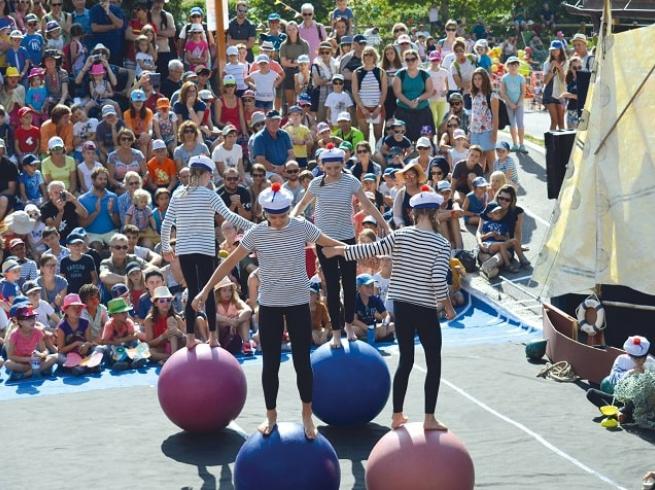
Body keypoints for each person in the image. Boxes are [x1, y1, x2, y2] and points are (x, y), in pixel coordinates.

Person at [192, 182, 347, 439]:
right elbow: (229, 261)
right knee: (270, 363)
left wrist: (354, 250)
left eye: (283, 216)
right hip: (270, 307)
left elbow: (329, 242)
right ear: (264, 214)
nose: (278, 221)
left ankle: (307, 415)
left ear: (289, 211)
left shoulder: (301, 226)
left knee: (302, 362)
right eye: (273, 217)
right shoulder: (256, 234)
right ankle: (271, 414)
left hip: (298, 303)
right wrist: (206, 290)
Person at [322, 185, 454, 431]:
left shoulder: (401, 235)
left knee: (405, 360)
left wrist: (339, 250)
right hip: (424, 307)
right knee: (433, 362)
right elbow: (437, 280)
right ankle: (429, 418)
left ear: (413, 213)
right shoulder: (441, 244)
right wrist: (446, 305)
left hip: (401, 306)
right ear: (435, 214)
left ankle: (397, 415)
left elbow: (369, 249)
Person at [292, 145, 390, 348]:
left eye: (337, 167)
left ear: (342, 165)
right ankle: (336, 332)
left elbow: (368, 205)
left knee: (349, 285)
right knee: (333, 288)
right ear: (322, 166)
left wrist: (384, 224)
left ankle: (348, 326)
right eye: (329, 168)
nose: (333, 172)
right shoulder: (316, 184)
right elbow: (301, 205)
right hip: (324, 241)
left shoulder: (351, 181)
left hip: (346, 241)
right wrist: (290, 220)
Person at [160, 155, 253, 349]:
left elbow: (166, 224)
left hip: (185, 250)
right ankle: (212, 337)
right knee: (207, 291)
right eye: (210, 175)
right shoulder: (209, 195)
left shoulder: (177, 194)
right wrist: (255, 226)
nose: (211, 179)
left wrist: (166, 245)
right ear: (204, 174)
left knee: (193, 290)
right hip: (205, 249)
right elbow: (230, 216)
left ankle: (191, 338)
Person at [5, 305, 58, 380]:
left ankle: (25, 375)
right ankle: (39, 370)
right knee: (8, 364)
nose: (33, 321)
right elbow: (10, 356)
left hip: (35, 362)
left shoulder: (37, 331)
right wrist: (28, 359)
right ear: (20, 322)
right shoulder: (14, 334)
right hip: (22, 362)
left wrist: (41, 355)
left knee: (55, 357)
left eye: (33, 318)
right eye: (28, 319)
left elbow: (44, 350)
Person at [393, 49, 434, 142]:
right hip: (404, 111)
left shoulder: (425, 74)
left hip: (423, 112)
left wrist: (418, 100)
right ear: (404, 61)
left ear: (417, 59)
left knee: (426, 139)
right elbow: (397, 92)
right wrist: (409, 103)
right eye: (407, 60)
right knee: (403, 140)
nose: (410, 62)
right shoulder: (400, 74)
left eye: (413, 59)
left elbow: (429, 91)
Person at [78, 167, 121, 245]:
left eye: (105, 179)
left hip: (111, 233)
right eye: (100, 179)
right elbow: (82, 224)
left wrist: (111, 213)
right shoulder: (82, 199)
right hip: (92, 234)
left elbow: (118, 224)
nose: (103, 181)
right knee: (96, 246)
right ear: (93, 180)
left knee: (119, 244)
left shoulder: (113, 197)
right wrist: (96, 212)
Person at [351, 46, 387, 140]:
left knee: (378, 135)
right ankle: (366, 154)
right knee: (364, 135)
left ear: (374, 57)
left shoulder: (381, 72)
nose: (368, 57)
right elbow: (355, 92)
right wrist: (363, 109)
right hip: (363, 108)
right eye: (366, 55)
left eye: (371, 55)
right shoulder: (357, 72)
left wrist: (378, 108)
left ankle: (377, 154)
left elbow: (384, 91)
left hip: (377, 107)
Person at [143, 285, 184, 364]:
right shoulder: (149, 320)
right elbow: (150, 343)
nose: (166, 303)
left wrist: (176, 332)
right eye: (162, 301)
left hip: (178, 347)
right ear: (155, 304)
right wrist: (163, 336)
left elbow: (185, 337)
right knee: (148, 352)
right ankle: (172, 358)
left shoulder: (176, 318)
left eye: (168, 300)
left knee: (172, 329)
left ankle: (170, 359)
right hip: (161, 349)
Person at [469, 68, 499, 173]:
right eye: (475, 79)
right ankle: (481, 185)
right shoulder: (473, 94)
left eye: (479, 79)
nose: (477, 81)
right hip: (474, 131)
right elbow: (473, 114)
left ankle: (496, 182)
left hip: (487, 131)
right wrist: (470, 131)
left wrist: (494, 133)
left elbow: (496, 116)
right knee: (478, 161)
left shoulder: (492, 95)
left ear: (485, 79)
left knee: (491, 160)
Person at [252, 110, 294, 175]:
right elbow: (260, 160)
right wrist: (276, 170)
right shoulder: (259, 138)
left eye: (278, 120)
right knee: (277, 179)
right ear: (266, 122)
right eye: (272, 121)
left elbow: (291, 154)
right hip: (266, 171)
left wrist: (284, 167)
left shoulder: (285, 134)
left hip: (285, 169)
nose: (275, 123)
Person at [500, 56, 527, 153]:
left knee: (520, 123)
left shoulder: (521, 78)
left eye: (515, 65)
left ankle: (522, 144)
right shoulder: (504, 78)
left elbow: (523, 92)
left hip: (519, 104)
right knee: (512, 124)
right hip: (509, 104)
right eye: (511, 65)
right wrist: (510, 103)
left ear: (518, 66)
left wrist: (519, 102)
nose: (513, 67)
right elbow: (503, 92)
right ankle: (515, 144)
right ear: (507, 66)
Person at [543, 40, 568, 131]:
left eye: (556, 49)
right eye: (553, 50)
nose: (554, 52)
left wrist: (558, 66)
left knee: (561, 121)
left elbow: (563, 79)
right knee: (554, 120)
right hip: (550, 91)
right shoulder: (547, 63)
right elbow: (545, 81)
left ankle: (563, 144)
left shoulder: (565, 62)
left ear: (561, 50)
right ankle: (551, 144)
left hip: (561, 92)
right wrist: (551, 69)